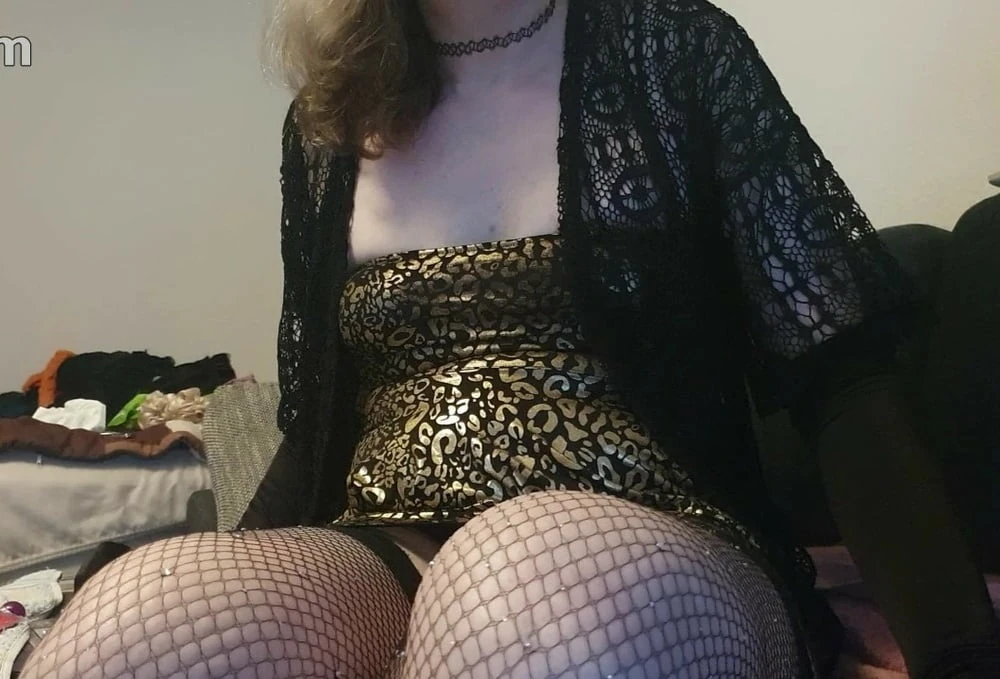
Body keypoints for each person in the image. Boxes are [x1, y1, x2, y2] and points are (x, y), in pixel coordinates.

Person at [22, 1, 1000, 677]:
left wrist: (958, 650)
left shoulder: (676, 51)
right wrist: (237, 574)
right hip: (391, 542)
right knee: (128, 625)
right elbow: (320, 416)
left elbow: (840, 373)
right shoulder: (326, 119)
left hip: (665, 543)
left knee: (518, 592)